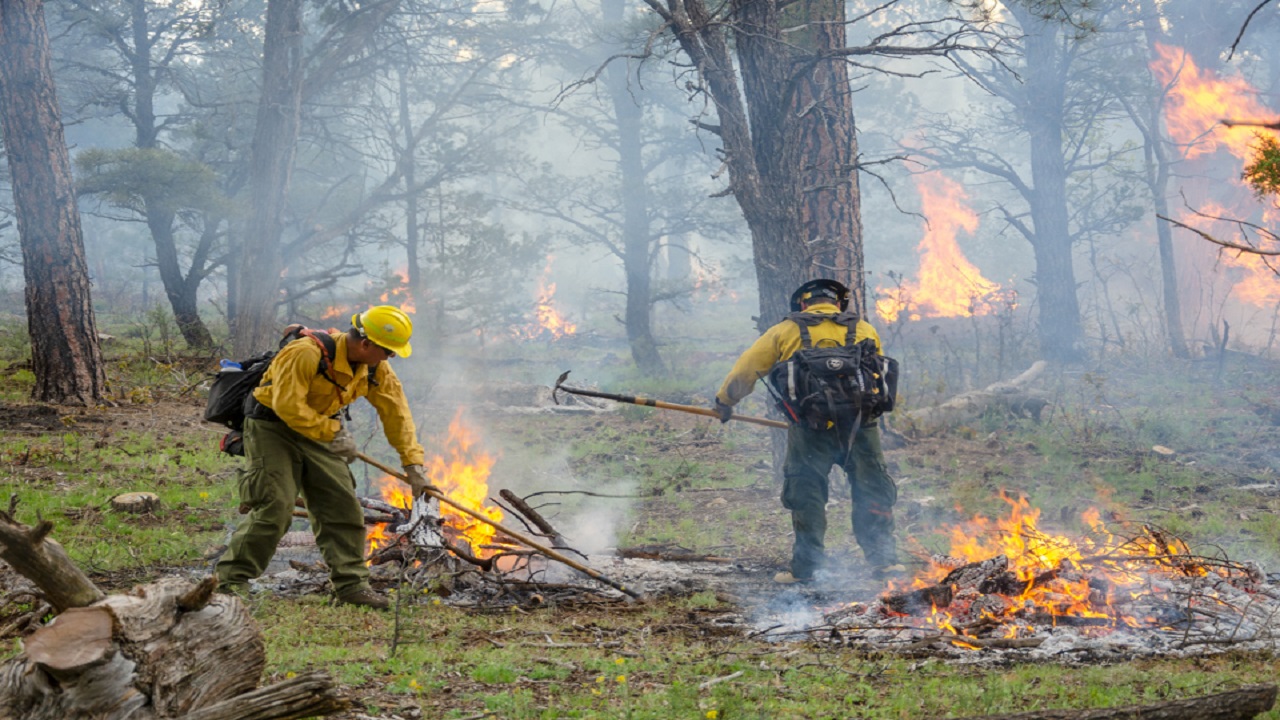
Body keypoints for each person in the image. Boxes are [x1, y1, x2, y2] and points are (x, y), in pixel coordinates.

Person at [215, 305, 433, 609]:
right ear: (366, 343)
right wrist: (333, 433)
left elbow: (397, 415)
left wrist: (413, 465)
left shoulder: (375, 368)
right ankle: (231, 582)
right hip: (271, 426)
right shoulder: (306, 353)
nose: (390, 358)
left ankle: (352, 586)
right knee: (275, 507)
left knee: (342, 506)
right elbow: (288, 406)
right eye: (388, 352)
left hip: (320, 429)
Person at [712, 279, 904, 584]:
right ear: (838, 303)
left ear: (803, 304)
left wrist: (725, 401)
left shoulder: (784, 331)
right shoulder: (865, 329)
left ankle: (808, 569)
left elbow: (746, 370)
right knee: (872, 490)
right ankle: (885, 562)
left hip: (810, 430)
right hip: (861, 428)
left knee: (807, 495)